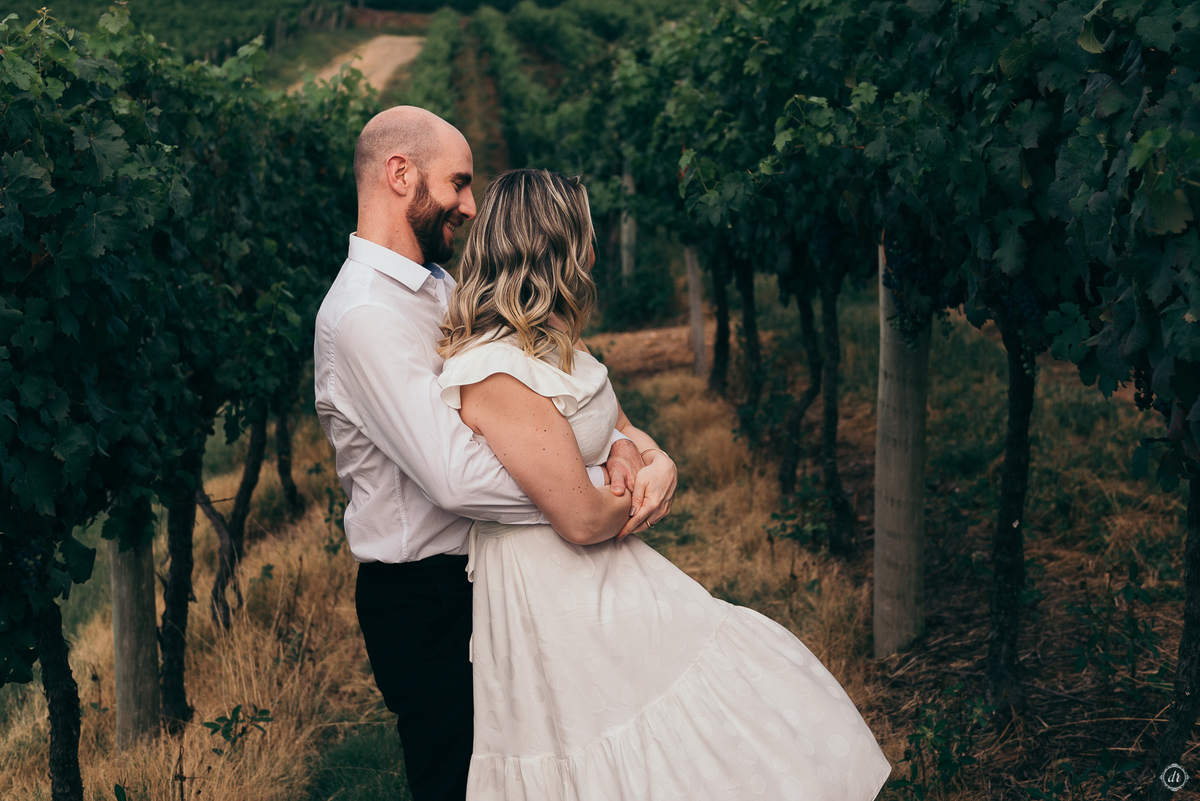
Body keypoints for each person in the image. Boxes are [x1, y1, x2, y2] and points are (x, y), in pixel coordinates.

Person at [436, 169, 894, 800]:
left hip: (609, 575)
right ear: (560, 247)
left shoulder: (553, 348)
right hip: (554, 596)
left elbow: (616, 424)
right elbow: (583, 520)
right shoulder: (495, 371)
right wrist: (631, 482)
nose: (594, 247)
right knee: (606, 747)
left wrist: (653, 456)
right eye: (587, 232)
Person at [313, 107, 676, 801]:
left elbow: (544, 396)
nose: (470, 205)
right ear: (400, 175)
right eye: (458, 182)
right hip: (425, 597)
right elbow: (457, 474)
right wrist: (595, 482)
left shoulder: (440, 288)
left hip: (487, 575)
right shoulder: (363, 317)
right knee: (461, 780)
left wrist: (629, 440)